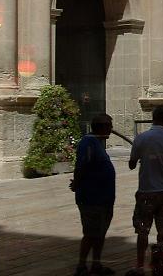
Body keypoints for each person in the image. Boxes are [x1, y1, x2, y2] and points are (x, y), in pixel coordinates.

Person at [126, 105, 163, 276]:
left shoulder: (142, 138)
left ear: (153, 117)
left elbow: (131, 163)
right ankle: (162, 263)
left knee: (143, 230)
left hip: (147, 190)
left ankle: (139, 265)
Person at [71, 113, 116, 276]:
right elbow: (82, 165)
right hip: (92, 199)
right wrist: (76, 183)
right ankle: (82, 266)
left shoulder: (96, 143)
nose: (111, 129)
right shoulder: (88, 143)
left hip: (103, 199)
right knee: (90, 234)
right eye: (109, 126)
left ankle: (96, 264)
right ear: (102, 126)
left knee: (99, 234)